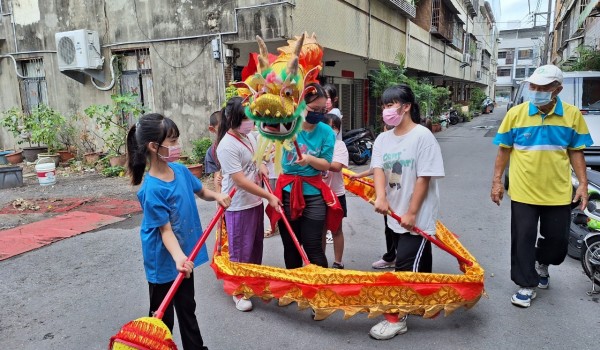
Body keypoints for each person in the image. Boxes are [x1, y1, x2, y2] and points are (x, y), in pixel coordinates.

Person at [490, 65, 593, 308]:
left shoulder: (571, 115)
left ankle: (542, 262)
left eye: (543, 88)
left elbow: (576, 152)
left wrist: (583, 185)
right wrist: (496, 182)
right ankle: (526, 284)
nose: (536, 91)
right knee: (522, 238)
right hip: (523, 189)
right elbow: (504, 149)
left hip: (557, 191)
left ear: (558, 89)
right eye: (533, 87)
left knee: (557, 244)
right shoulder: (516, 114)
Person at [126, 113, 231, 350]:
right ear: (154, 146)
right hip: (164, 260)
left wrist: (217, 195)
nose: (177, 146)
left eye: (176, 140)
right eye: (172, 141)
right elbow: (165, 231)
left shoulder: (180, 171)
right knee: (163, 317)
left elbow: (201, 192)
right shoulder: (152, 189)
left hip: (184, 257)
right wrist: (178, 257)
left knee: (187, 307)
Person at [368, 84, 445, 340]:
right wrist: (380, 196)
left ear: (407, 106)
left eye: (391, 105)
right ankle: (423, 299)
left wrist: (412, 213)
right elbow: (378, 169)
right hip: (394, 214)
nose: (386, 110)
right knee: (417, 261)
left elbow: (424, 178)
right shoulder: (382, 138)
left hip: (416, 216)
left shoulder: (423, 136)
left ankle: (396, 317)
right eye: (384, 105)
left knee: (403, 266)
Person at [216, 96, 282, 312]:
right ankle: (238, 291)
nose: (250, 122)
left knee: (254, 247)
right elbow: (240, 180)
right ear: (232, 119)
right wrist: (269, 196)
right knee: (240, 249)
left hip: (253, 202)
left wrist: (262, 164)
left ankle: (252, 282)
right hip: (237, 205)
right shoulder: (226, 146)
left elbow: (257, 157)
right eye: (245, 118)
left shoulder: (249, 136)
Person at [267, 82, 342, 269]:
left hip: (314, 192)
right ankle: (294, 288)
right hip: (286, 191)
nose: (318, 113)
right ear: (301, 105)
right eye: (313, 108)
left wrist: (309, 159)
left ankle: (318, 290)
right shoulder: (288, 125)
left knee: (313, 245)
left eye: (322, 109)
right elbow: (266, 139)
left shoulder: (326, 132)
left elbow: (326, 164)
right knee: (291, 245)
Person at [350, 124, 397, 270]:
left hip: (402, 196)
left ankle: (402, 262)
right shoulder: (383, 145)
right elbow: (376, 168)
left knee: (401, 231)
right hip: (388, 196)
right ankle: (392, 257)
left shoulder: (404, 145)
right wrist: (358, 175)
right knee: (389, 228)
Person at [321, 113, 349, 269]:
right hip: (318, 194)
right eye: (328, 126)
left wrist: (313, 161)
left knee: (336, 229)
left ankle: (338, 262)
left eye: (335, 127)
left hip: (336, 194)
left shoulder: (340, 146)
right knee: (321, 230)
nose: (332, 129)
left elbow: (337, 166)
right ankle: (320, 262)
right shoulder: (318, 143)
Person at [204, 110, 222, 192]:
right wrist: (219, 200)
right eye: (222, 128)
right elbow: (217, 175)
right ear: (212, 129)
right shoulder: (212, 152)